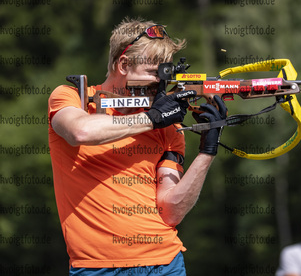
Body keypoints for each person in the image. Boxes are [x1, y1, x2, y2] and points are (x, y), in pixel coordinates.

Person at [48, 17, 226, 275]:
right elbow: (80, 131)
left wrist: (208, 150)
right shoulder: (74, 97)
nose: (160, 84)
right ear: (123, 64)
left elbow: (171, 211)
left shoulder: (169, 128)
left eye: (166, 74)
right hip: (98, 266)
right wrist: (153, 118)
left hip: (165, 261)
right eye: (154, 73)